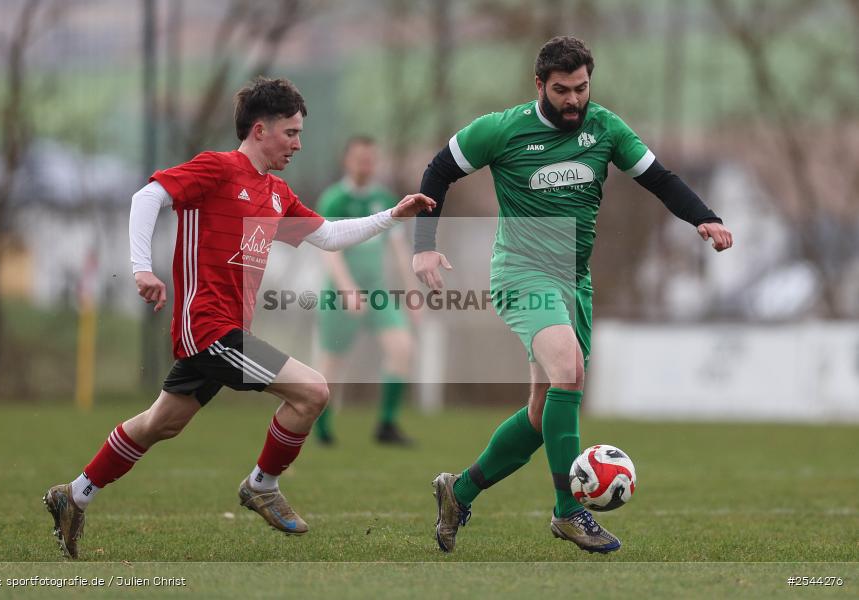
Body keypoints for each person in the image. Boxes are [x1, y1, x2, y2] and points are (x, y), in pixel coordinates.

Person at [42, 77, 434, 559]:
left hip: (228, 331)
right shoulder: (216, 169)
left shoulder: (275, 192)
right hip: (208, 326)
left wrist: (393, 215)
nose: (298, 142)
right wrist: (142, 269)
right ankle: (262, 485)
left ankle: (74, 494)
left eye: (299, 132)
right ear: (259, 129)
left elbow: (329, 236)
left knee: (161, 423)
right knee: (313, 391)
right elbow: (146, 198)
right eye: (290, 132)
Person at [414, 36, 733, 554]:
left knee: (544, 414)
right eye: (562, 90)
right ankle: (569, 511)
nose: (573, 100)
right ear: (539, 84)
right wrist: (424, 245)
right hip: (521, 272)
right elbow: (439, 171)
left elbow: (659, 178)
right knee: (569, 372)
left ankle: (459, 490)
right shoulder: (501, 128)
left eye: (581, 88)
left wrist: (705, 218)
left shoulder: (604, 127)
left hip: (574, 280)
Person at [313, 136, 418, 446]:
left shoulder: (385, 198)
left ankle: (386, 425)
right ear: (347, 161)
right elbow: (327, 250)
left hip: (378, 292)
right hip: (340, 294)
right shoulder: (335, 199)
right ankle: (321, 430)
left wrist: (412, 291)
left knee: (402, 347)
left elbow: (399, 248)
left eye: (371, 159)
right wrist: (347, 289)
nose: (366, 164)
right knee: (332, 364)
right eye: (360, 158)